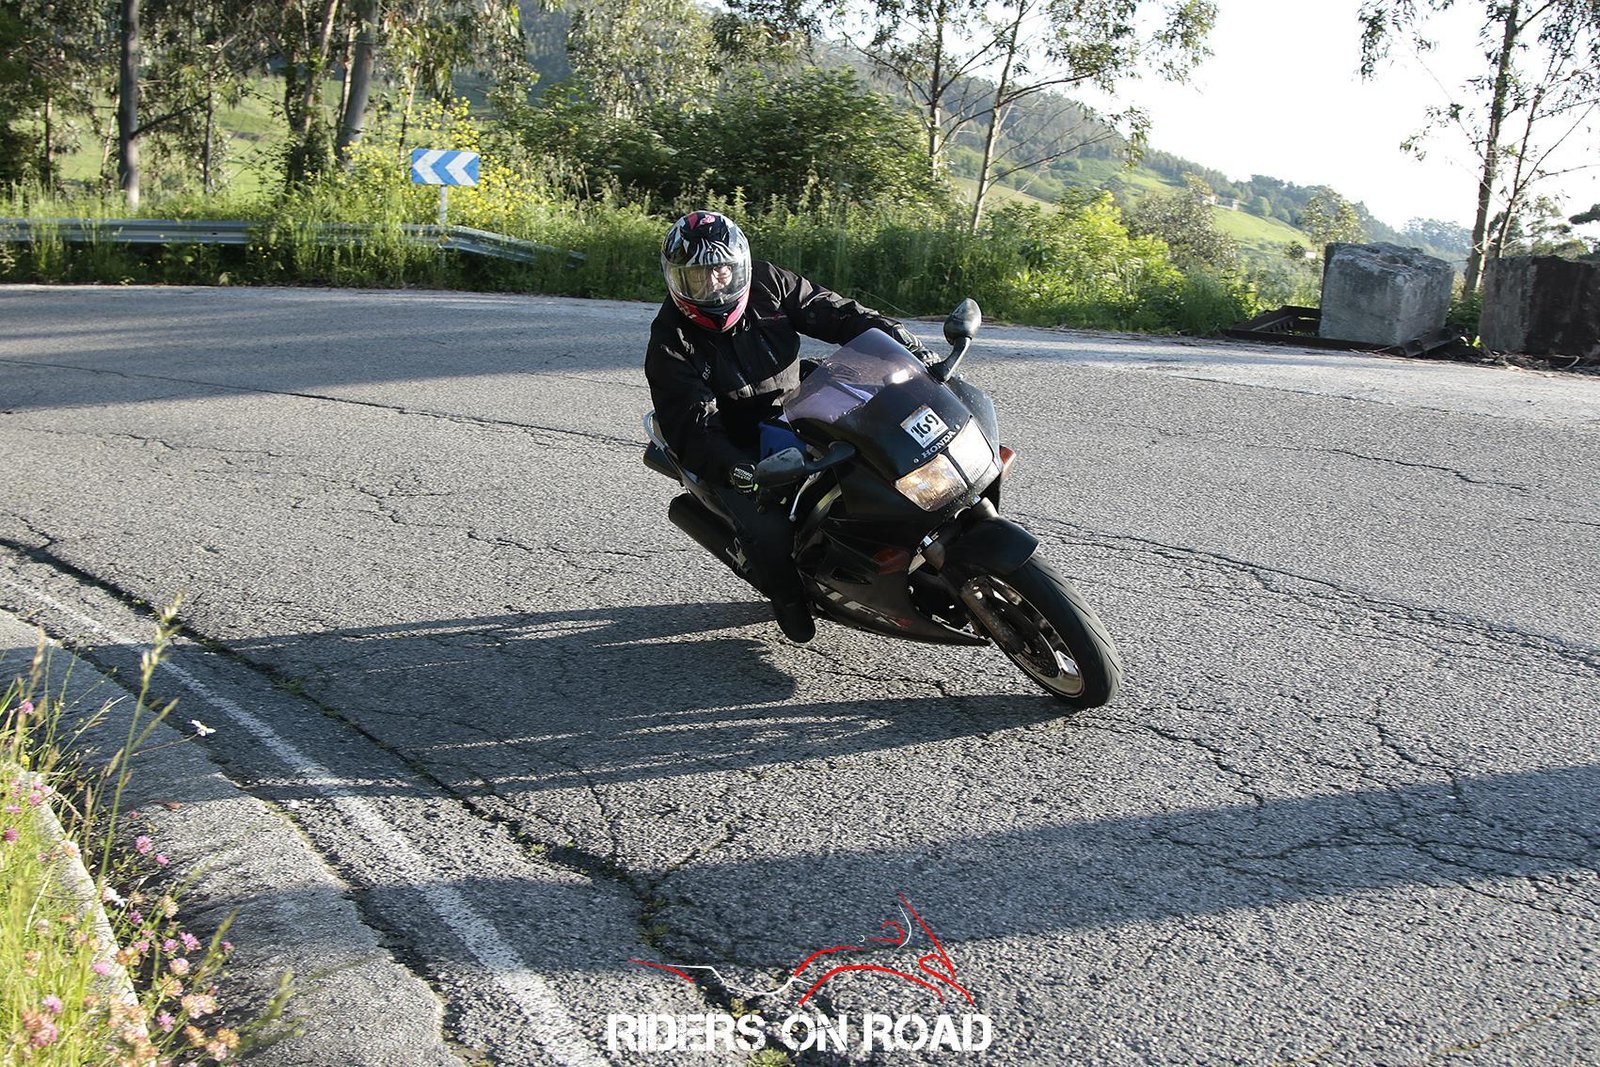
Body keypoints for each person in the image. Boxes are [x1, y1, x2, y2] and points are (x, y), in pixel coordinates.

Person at [644, 210, 937, 644]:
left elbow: (835, 312)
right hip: (736, 439)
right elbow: (693, 426)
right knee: (768, 526)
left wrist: (898, 339)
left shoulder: (768, 282)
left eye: (721, 271)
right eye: (697, 277)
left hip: (800, 402)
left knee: (885, 441)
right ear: (675, 280)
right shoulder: (670, 341)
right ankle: (788, 597)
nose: (713, 285)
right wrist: (736, 468)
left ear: (740, 266)